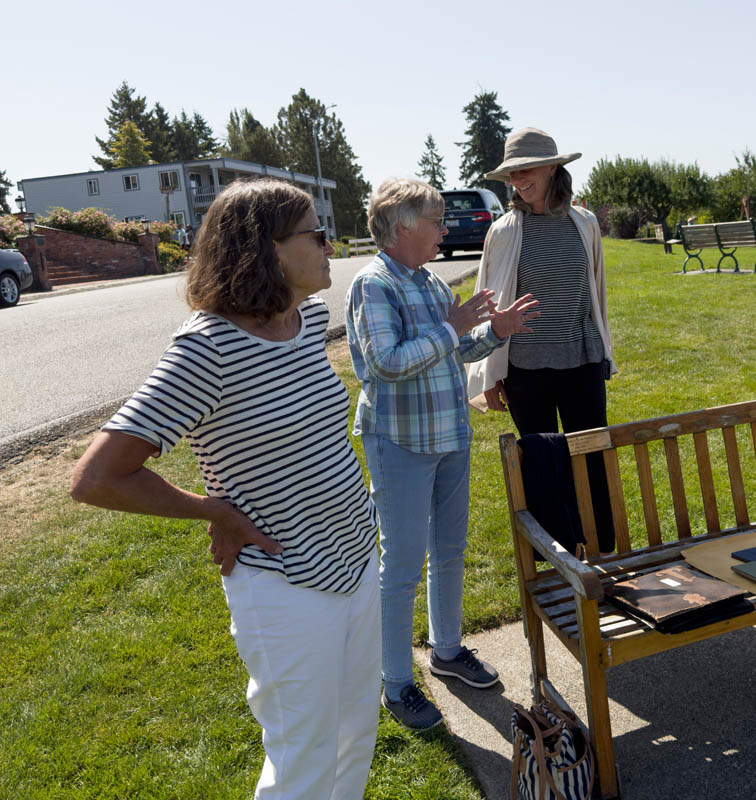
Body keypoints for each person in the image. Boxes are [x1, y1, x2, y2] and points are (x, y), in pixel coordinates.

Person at [70, 179, 381, 799]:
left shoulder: (306, 321)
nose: (330, 246)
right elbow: (96, 477)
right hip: (285, 582)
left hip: (355, 561)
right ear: (266, 248)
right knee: (303, 763)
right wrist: (213, 509)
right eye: (317, 234)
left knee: (354, 737)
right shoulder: (206, 349)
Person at [345, 177, 539, 730]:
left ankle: (447, 651)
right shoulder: (374, 285)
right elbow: (386, 363)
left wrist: (494, 332)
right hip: (401, 441)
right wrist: (453, 327)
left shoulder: (430, 281)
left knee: (449, 549)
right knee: (402, 564)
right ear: (403, 226)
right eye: (436, 221)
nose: (445, 230)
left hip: (449, 435)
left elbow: (452, 351)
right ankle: (396, 683)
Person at [467, 127, 617, 553]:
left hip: (583, 361)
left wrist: (604, 352)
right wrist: (491, 374)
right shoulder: (504, 231)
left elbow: (596, 293)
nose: (518, 179)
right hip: (526, 370)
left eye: (526, 169)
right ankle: (557, 561)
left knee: (592, 459)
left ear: (553, 168)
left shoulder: (584, 223)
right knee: (542, 465)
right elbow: (491, 304)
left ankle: (604, 554)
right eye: (512, 173)